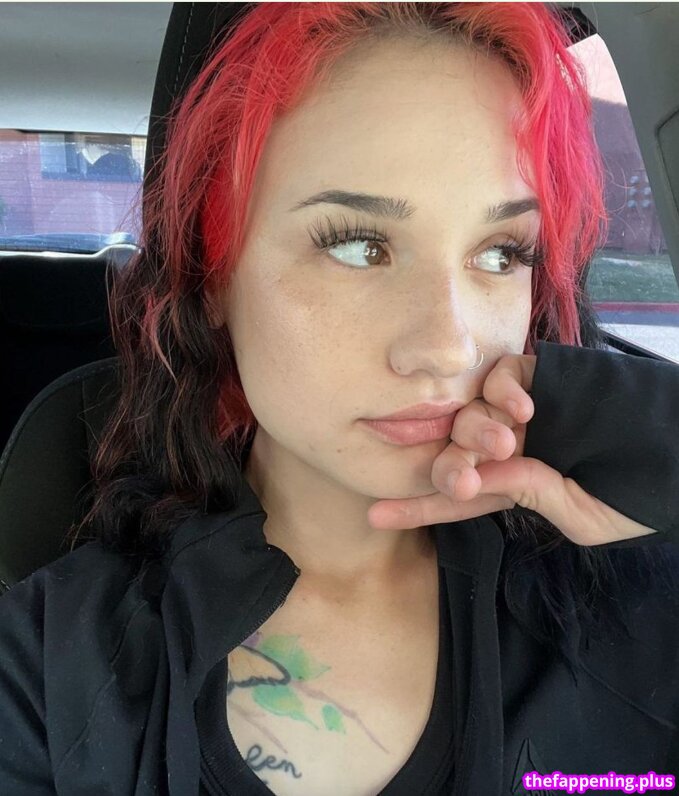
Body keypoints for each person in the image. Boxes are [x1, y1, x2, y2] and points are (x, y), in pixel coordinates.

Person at [1, 3, 678, 795]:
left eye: (501, 252)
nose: (448, 347)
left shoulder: (636, 589)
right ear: (213, 275)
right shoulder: (47, 671)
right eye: (358, 245)